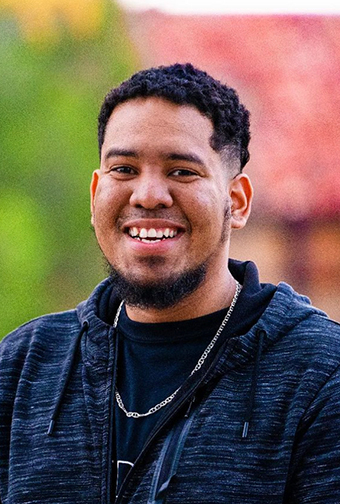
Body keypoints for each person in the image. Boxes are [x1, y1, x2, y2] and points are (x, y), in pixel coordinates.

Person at [1, 63, 340, 504]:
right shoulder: (21, 368)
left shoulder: (320, 375)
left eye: (182, 171)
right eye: (123, 169)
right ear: (95, 194)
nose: (147, 195)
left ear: (235, 202)